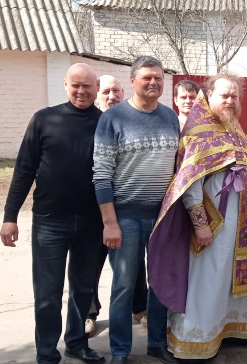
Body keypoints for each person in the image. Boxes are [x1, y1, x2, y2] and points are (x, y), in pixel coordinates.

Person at [148, 72, 247, 361]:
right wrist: (200, 224)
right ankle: (198, 338)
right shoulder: (198, 130)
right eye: (224, 95)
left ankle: (232, 328)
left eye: (234, 96)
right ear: (209, 96)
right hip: (214, 222)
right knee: (210, 279)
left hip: (242, 225)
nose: (229, 100)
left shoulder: (235, 129)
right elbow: (188, 182)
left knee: (228, 277)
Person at [0, 63, 105, 364]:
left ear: (96, 87)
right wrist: (10, 216)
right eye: (75, 84)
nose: (82, 90)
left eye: (87, 85)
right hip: (50, 221)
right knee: (47, 293)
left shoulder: (106, 123)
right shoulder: (44, 120)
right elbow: (23, 170)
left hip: (91, 222)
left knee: (83, 289)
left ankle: (76, 342)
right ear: (65, 85)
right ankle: (46, 352)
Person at [92, 56, 179, 364]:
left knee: (159, 283)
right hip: (125, 217)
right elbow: (101, 173)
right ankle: (119, 351)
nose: (153, 82)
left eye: (158, 77)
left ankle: (157, 342)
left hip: (162, 218)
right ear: (132, 81)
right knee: (124, 286)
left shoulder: (170, 118)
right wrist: (109, 223)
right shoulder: (113, 118)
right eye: (146, 78)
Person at [86, 75, 149, 338]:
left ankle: (140, 307)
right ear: (97, 95)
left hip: (124, 207)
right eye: (106, 91)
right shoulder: (89, 122)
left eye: (116, 91)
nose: (111, 96)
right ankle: (89, 314)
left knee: (132, 264)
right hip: (91, 208)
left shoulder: (130, 120)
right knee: (91, 263)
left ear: (125, 91)